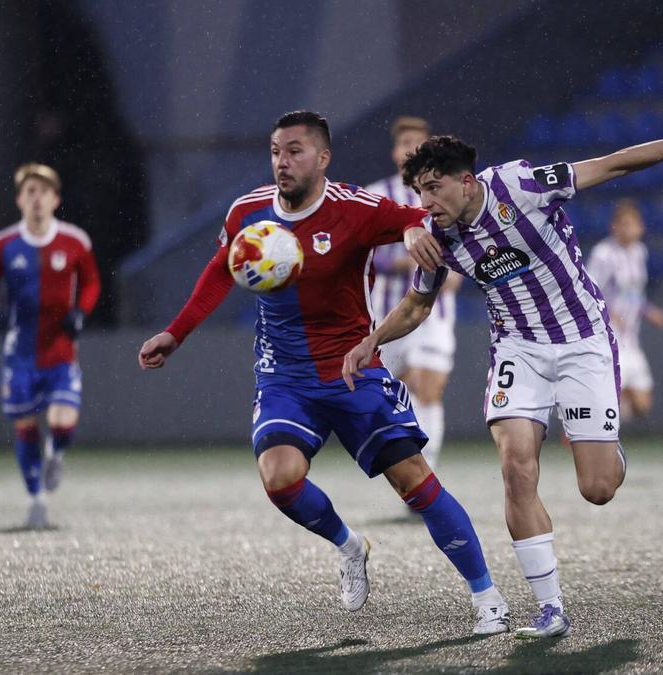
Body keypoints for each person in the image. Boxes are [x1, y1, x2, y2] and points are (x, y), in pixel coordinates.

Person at [344, 127, 663, 638]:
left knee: (597, 488)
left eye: (435, 187)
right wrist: (370, 341)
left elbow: (614, 161)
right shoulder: (436, 236)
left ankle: (607, 450)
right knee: (515, 468)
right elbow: (419, 304)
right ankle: (550, 607)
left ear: (467, 182)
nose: (426, 201)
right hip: (517, 349)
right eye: (419, 190)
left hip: (582, 339)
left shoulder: (523, 186)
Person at [137, 111, 510, 635]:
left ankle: (488, 598)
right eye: (275, 152)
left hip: (353, 368)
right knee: (280, 477)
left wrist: (407, 232)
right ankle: (349, 545)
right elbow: (220, 271)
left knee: (415, 483)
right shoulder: (247, 211)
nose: (281, 162)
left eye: (293, 151)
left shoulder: (354, 208)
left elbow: (408, 217)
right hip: (284, 377)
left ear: (322, 157)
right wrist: (176, 333)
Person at [0, 163, 100, 529]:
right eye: (29, 192)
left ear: (56, 199)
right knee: (25, 425)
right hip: (20, 354)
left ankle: (55, 453)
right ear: (19, 201)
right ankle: (36, 502)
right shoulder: (3, 244)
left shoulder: (75, 241)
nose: (36, 198)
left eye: (43, 191)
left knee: (62, 419)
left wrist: (81, 313)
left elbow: (91, 283)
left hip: (59, 350)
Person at [365, 116, 462, 473]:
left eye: (420, 143)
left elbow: (465, 243)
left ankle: (427, 473)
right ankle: (407, 469)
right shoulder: (376, 196)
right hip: (389, 313)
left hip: (435, 314)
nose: (413, 150)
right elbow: (363, 251)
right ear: (395, 151)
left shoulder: (448, 194)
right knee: (394, 397)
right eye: (406, 142)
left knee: (428, 386)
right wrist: (406, 259)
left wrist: (459, 273)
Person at [585, 200, 663, 421]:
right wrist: (610, 315)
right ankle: (584, 428)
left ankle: (592, 419)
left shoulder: (639, 252)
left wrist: (649, 311)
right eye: (624, 224)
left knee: (642, 404)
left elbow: (634, 293)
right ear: (615, 227)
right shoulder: (603, 254)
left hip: (631, 338)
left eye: (633, 224)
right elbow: (588, 291)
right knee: (611, 393)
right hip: (609, 336)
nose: (630, 229)